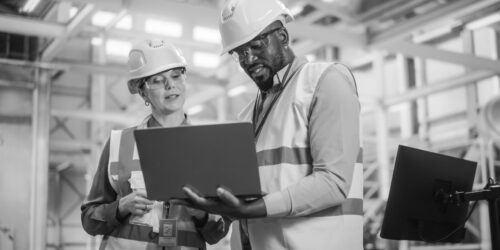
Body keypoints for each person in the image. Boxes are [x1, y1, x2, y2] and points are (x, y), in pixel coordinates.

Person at [182, 0, 364, 249]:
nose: (248, 59)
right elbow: (242, 200)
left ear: (283, 36)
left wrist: (255, 208)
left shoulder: (324, 82)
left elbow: (333, 182)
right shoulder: (246, 115)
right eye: (240, 53)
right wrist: (208, 209)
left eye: (256, 46)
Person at [81, 39, 230, 250]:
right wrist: (120, 207)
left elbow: (219, 232)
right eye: (158, 80)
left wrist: (202, 213)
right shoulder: (119, 143)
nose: (171, 85)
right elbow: (89, 220)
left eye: (176, 76)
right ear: (143, 92)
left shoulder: (207, 147)